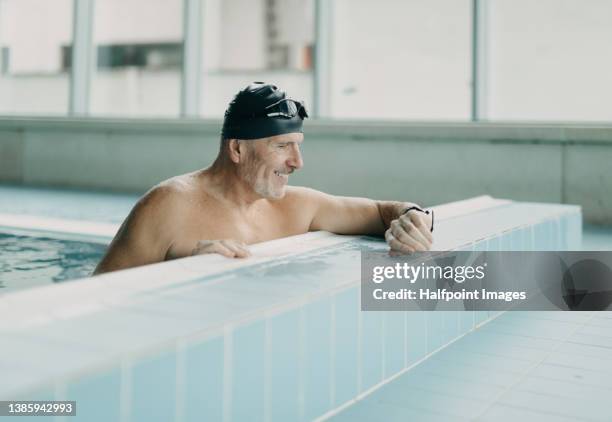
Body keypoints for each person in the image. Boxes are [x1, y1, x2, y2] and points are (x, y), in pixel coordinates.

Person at [93, 82, 433, 274]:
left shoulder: (299, 207)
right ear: (238, 149)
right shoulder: (169, 206)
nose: (297, 162)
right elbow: (94, 299)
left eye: (297, 145)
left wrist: (414, 219)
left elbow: (381, 212)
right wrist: (177, 271)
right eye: (282, 146)